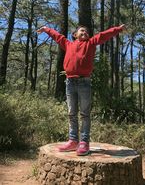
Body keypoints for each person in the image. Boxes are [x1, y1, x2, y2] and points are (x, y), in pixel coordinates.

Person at [37, 24, 126, 155]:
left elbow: (103, 35)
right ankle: (73, 141)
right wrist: (46, 29)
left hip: (84, 82)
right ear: (75, 35)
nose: (85, 32)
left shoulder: (91, 43)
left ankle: (84, 142)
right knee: (71, 113)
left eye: (87, 31)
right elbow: (57, 36)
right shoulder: (68, 44)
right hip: (70, 82)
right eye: (82, 31)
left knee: (85, 114)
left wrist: (118, 29)